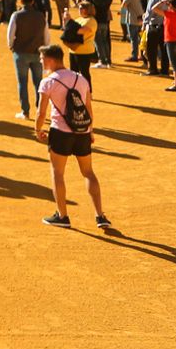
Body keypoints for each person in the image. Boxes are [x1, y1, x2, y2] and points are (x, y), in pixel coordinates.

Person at [34, 44, 110, 229]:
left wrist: (37, 130)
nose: (41, 61)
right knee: (88, 173)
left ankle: (62, 216)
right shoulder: (81, 78)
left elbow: (41, 112)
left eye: (42, 58)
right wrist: (90, 130)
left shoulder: (48, 82)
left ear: (51, 60)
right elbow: (88, 108)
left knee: (57, 173)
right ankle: (100, 216)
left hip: (60, 132)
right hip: (82, 131)